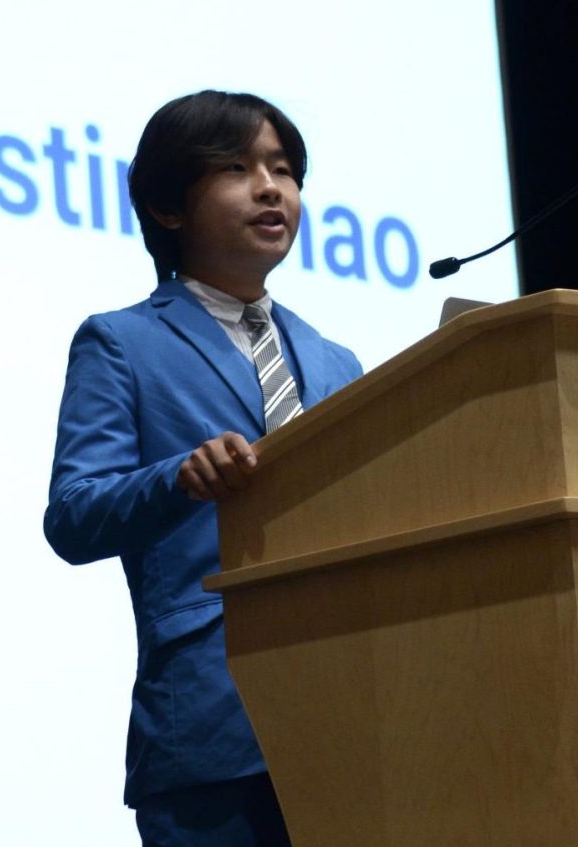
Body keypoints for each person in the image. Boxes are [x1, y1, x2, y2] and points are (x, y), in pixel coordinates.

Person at [43, 91, 362, 846]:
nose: (270, 186)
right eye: (236, 167)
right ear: (169, 208)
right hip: (212, 726)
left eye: (283, 169)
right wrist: (179, 476)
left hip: (355, 711)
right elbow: (74, 514)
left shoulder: (337, 361)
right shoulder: (120, 343)